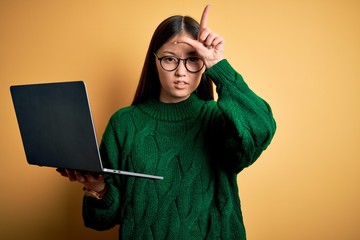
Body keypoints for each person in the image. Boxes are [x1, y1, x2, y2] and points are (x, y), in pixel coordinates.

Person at [59, 4, 276, 240]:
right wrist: (97, 188)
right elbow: (99, 221)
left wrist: (217, 65)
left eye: (193, 60)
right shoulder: (124, 124)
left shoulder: (218, 120)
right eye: (170, 59)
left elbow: (262, 127)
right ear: (155, 61)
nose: (181, 71)